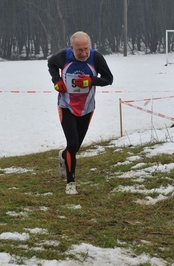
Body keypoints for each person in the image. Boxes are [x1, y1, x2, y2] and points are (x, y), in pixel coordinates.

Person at [47, 31, 113, 195]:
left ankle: (63, 156)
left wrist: (91, 81)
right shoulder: (63, 56)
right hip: (66, 105)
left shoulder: (96, 58)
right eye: (79, 50)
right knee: (73, 143)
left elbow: (108, 78)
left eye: (86, 49)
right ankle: (71, 183)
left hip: (86, 108)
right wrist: (57, 80)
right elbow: (51, 64)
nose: (83, 53)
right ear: (72, 48)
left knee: (74, 148)